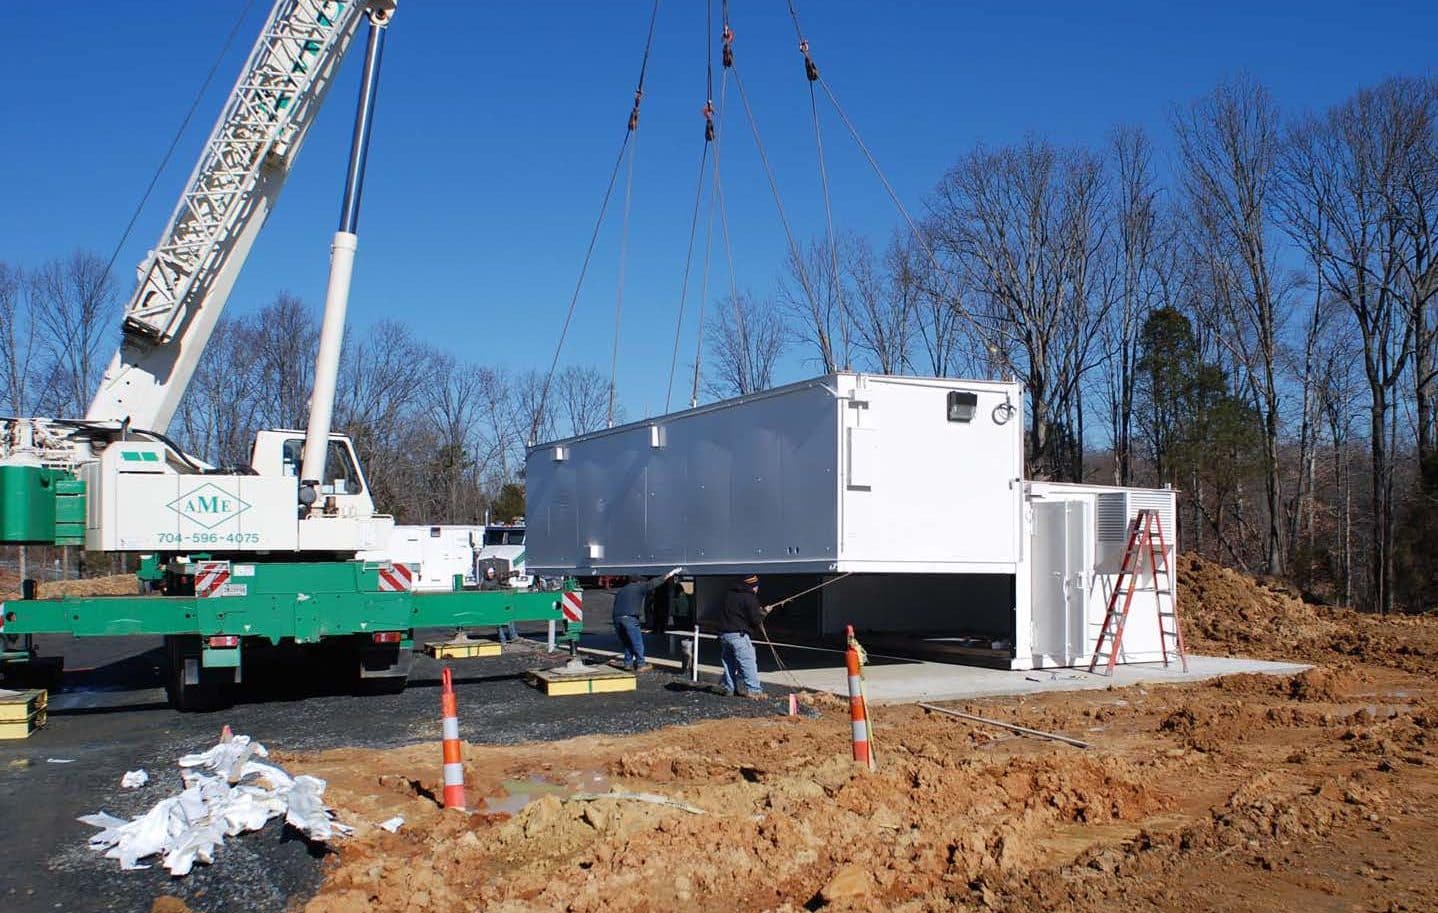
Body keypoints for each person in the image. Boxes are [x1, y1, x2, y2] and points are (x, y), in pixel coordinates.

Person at [611, 567, 681, 672]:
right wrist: (670, 574)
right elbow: (654, 583)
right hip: (630, 618)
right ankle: (641, 664)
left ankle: (628, 663)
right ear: (638, 581)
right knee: (637, 642)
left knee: (627, 642)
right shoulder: (639, 587)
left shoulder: (622, 590)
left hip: (617, 618)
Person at [717, 574, 766, 698]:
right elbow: (755, 620)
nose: (757, 589)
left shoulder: (729, 594)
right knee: (747, 662)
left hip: (724, 634)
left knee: (729, 663)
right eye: (756, 586)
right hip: (739, 635)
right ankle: (754, 690)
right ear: (752, 586)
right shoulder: (750, 597)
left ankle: (729, 688)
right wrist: (763, 613)